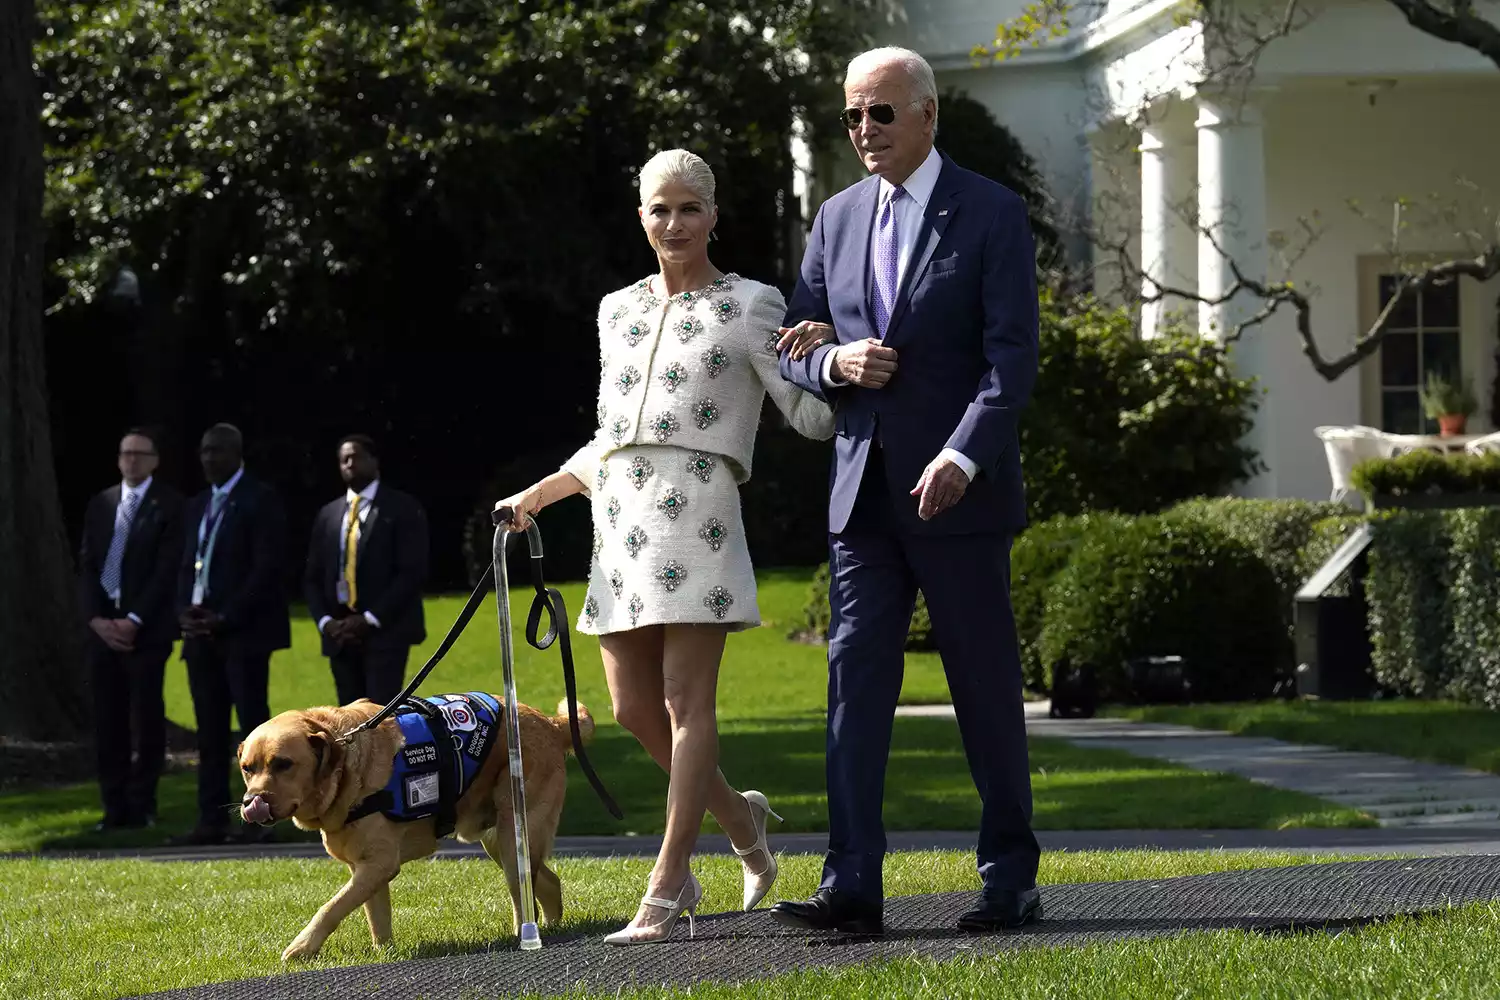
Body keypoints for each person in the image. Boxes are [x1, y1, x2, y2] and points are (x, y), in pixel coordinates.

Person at [495, 148, 834, 945]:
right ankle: (743, 823)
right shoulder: (617, 310)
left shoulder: (751, 303)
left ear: (715, 215)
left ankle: (670, 879)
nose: (674, 223)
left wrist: (836, 363)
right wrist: (539, 494)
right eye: (659, 209)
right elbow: (611, 437)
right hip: (620, 524)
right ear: (640, 216)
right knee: (632, 709)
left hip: (702, 516)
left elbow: (808, 414)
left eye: (689, 208)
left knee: (688, 704)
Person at [770, 46, 1044, 935]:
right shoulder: (836, 218)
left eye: (880, 113)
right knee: (853, 689)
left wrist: (963, 458)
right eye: (852, 115)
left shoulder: (993, 214)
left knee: (984, 689)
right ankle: (851, 885)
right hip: (863, 500)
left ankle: (1010, 880)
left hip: (959, 498)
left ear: (928, 115)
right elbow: (796, 346)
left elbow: (1012, 364)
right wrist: (834, 361)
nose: (863, 130)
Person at [171, 422, 291, 846]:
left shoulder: (260, 500)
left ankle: (259, 818)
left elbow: (264, 570)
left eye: (217, 451)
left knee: (256, 734)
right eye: (204, 451)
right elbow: (187, 563)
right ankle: (211, 819)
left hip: (243, 636)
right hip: (200, 639)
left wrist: (224, 616)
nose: (208, 459)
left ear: (237, 454)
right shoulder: (198, 504)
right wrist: (184, 613)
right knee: (209, 731)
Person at [77, 427, 184, 831]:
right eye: (126, 454)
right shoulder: (102, 503)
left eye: (140, 454)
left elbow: (166, 569)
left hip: (147, 633)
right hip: (103, 633)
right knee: (108, 722)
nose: (132, 461)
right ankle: (113, 806)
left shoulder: (170, 505)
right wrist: (97, 620)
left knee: (146, 719)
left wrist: (134, 619)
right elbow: (88, 565)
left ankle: (143, 805)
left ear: (155, 460)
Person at [303, 434, 429, 707]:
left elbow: (411, 572)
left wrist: (369, 619)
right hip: (340, 636)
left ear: (374, 461)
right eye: (342, 460)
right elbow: (313, 577)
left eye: (355, 457)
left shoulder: (401, 508)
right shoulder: (328, 514)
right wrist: (326, 622)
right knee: (348, 717)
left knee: (381, 716)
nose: (349, 463)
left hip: (385, 633)